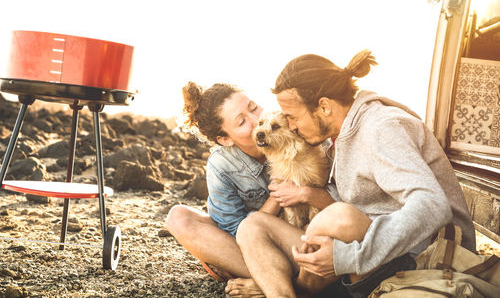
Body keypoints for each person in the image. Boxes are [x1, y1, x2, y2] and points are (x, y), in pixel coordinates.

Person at [230, 50, 476, 298]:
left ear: (324, 106)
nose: (292, 126)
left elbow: (433, 205)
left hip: (420, 259)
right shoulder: (340, 136)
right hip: (370, 254)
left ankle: (299, 289)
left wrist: (348, 257)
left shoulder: (381, 127)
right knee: (251, 226)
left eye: (293, 117)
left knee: (340, 216)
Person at [164, 82, 334, 282]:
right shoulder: (222, 165)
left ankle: (269, 282)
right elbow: (236, 233)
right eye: (241, 122)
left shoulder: (296, 133)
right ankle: (274, 279)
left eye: (253, 107)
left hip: (306, 235)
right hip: (256, 243)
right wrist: (278, 195)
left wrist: (303, 190)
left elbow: (338, 201)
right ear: (225, 140)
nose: (256, 121)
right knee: (178, 217)